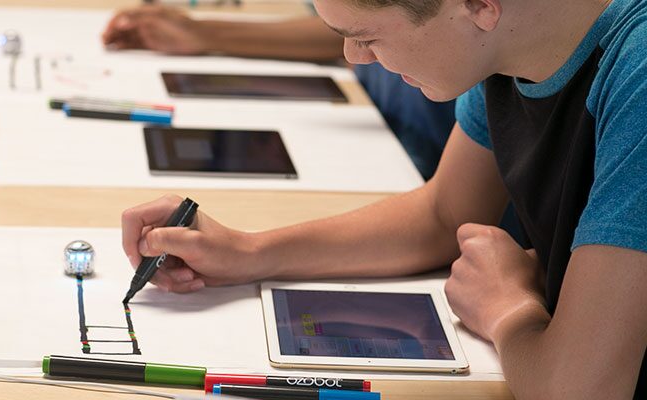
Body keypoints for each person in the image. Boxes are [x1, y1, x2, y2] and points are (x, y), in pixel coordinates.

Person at [119, 0, 647, 397]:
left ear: (481, 5)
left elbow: (582, 388)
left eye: (367, 36)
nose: (353, 57)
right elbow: (442, 215)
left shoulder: (636, 73)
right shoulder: (506, 44)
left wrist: (509, 311)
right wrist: (248, 252)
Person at [101, 6, 452, 180]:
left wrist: (206, 34)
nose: (353, 54)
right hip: (391, 135)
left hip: (422, 157)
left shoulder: (477, 81)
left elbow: (444, 214)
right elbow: (347, 24)